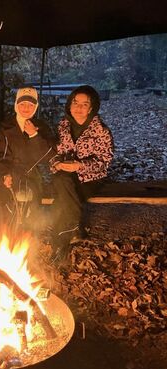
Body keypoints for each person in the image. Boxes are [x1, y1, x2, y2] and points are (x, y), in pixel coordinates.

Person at [50, 85, 114, 260]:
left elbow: (104, 161)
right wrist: (57, 164)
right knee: (62, 182)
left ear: (91, 108)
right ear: (69, 105)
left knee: (62, 193)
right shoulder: (62, 127)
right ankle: (73, 229)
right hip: (64, 175)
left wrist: (79, 166)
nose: (78, 108)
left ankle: (59, 245)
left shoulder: (101, 131)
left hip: (90, 179)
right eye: (75, 102)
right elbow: (52, 154)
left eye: (84, 104)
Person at [0, 87, 56, 233]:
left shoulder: (42, 127)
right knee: (0, 196)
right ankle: (2, 235)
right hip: (8, 173)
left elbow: (48, 155)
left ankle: (28, 238)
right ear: (16, 105)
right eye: (22, 104)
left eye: (30, 105)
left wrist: (34, 135)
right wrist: (4, 174)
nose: (26, 108)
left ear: (36, 106)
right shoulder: (5, 127)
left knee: (31, 203)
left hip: (31, 174)